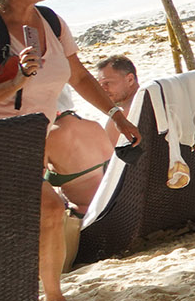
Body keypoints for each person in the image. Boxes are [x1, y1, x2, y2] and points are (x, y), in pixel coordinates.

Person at [0, 0, 135, 301]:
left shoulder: (51, 22)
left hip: (30, 138)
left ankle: (47, 298)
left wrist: (116, 115)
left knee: (47, 212)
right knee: (50, 208)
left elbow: (80, 76)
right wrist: (16, 81)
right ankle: (49, 299)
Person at [45, 56, 140, 215]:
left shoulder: (49, 138)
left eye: (107, 83)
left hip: (88, 215)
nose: (102, 89)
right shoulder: (95, 126)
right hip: (118, 206)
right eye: (100, 84)